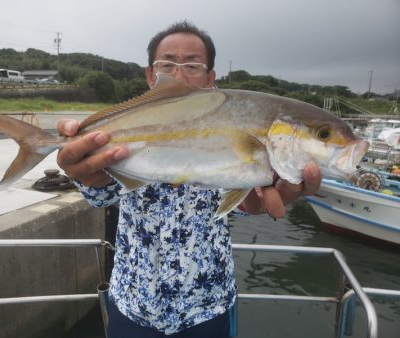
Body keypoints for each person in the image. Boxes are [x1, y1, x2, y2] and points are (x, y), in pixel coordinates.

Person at [56, 21, 322, 338]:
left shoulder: (232, 128)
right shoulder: (122, 126)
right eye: (167, 64)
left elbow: (245, 202)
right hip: (134, 301)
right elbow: (100, 195)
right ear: (150, 76)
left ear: (211, 78)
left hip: (207, 304)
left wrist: (263, 200)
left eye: (193, 66)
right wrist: (81, 170)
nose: (179, 75)